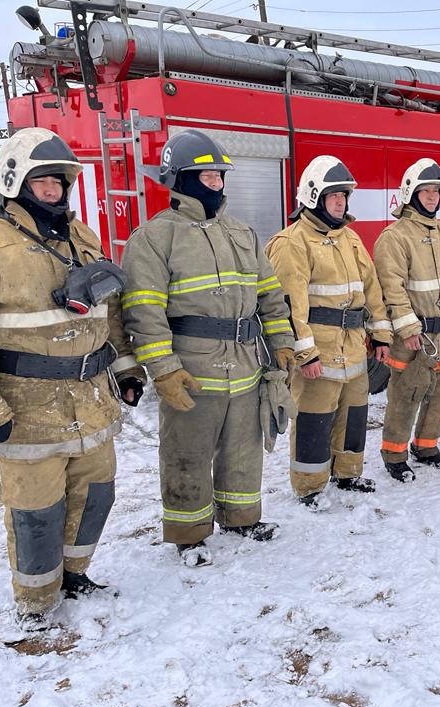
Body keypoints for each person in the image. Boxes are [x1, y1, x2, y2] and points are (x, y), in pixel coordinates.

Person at [0, 128, 144, 628]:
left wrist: (125, 369)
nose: (54, 190)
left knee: (94, 496)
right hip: (27, 411)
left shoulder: (83, 238)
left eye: (60, 180)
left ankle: (76, 575)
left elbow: (111, 315)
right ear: (15, 181)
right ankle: (36, 602)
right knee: (36, 512)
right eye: (43, 180)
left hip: (91, 399)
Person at [121, 129, 295, 567]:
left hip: (245, 361)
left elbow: (271, 296)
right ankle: (189, 534)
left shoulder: (242, 233)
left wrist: (283, 343)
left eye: (220, 175)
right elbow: (144, 311)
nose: (217, 183)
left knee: (244, 445)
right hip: (192, 365)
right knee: (187, 451)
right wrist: (162, 368)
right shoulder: (154, 237)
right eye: (207, 176)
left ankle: (241, 518)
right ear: (180, 179)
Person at [265, 156, 392, 506]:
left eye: (343, 197)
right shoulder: (292, 242)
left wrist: (381, 335)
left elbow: (373, 290)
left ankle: (348, 474)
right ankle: (309, 486)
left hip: (353, 347)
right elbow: (289, 308)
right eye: (333, 196)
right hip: (318, 352)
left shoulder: (349, 238)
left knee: (354, 415)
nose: (340, 203)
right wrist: (304, 354)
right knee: (314, 421)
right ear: (313, 197)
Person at [373, 158, 440, 482]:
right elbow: (392, 287)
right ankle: (394, 455)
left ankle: (427, 447)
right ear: (410, 193)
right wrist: (407, 329)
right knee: (405, 395)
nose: (432, 197)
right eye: (425, 190)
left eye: (436, 191)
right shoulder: (395, 237)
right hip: (414, 338)